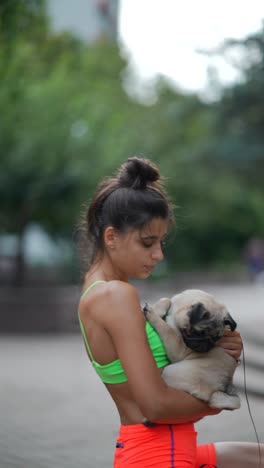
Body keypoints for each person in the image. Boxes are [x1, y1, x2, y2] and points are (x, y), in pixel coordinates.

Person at [77, 156, 263, 467]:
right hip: (161, 455)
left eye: (161, 242)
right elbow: (156, 406)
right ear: (111, 237)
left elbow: (167, 372)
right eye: (147, 243)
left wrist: (218, 352)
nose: (159, 254)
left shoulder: (100, 291)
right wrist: (216, 400)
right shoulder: (115, 295)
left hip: (161, 449)